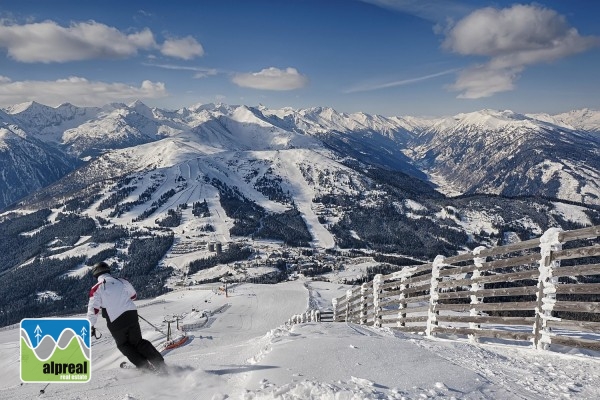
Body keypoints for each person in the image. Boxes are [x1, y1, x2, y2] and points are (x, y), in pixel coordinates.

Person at [87, 261, 167, 373]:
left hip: (115, 320)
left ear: (95, 274)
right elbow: (133, 296)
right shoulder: (122, 281)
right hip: (131, 314)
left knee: (124, 345)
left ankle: (145, 368)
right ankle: (160, 365)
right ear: (108, 270)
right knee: (138, 342)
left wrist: (90, 325)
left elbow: (93, 309)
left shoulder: (96, 288)